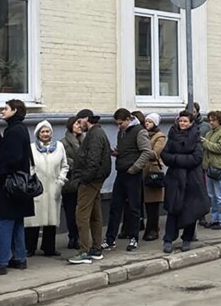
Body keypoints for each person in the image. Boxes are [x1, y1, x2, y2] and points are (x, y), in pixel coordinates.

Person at [0, 100, 34, 275]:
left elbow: (12, 158)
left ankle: (0, 262)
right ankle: (19, 258)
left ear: (14, 111)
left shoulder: (13, 131)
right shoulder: (21, 128)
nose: (2, 112)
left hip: (9, 186)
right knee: (17, 222)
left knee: (2, 222)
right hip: (19, 185)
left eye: (5, 109)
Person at [103, 108, 153, 253]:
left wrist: (135, 167)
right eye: (117, 124)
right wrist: (116, 152)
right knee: (115, 206)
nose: (119, 126)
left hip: (133, 174)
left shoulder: (140, 131)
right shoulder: (122, 132)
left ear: (127, 120)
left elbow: (147, 152)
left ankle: (134, 238)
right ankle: (110, 239)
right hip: (121, 173)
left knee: (133, 208)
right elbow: (125, 149)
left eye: (120, 123)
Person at [161, 111, 209, 253]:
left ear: (191, 123)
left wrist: (176, 159)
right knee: (173, 209)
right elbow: (165, 155)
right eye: (181, 121)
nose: (182, 124)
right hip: (174, 179)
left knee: (191, 210)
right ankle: (168, 239)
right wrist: (178, 159)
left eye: (185, 121)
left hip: (192, 179)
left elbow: (197, 157)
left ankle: (187, 239)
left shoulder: (196, 137)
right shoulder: (172, 135)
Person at [68, 109, 111, 264]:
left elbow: (93, 161)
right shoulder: (97, 133)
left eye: (80, 121)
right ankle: (96, 249)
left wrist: (83, 179)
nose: (79, 125)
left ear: (86, 119)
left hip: (90, 181)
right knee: (95, 215)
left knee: (82, 215)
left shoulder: (94, 135)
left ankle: (84, 251)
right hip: (94, 180)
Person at [25, 121, 69, 257]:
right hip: (37, 187)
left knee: (51, 220)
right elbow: (28, 165)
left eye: (47, 131)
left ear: (51, 133)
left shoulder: (59, 147)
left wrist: (60, 180)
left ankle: (49, 247)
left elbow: (65, 165)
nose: (45, 134)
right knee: (34, 219)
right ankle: (29, 247)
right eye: (42, 132)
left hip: (53, 187)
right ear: (38, 134)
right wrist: (32, 179)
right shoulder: (31, 148)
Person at [202, 110, 221, 229]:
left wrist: (206, 143)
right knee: (212, 195)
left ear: (219, 121)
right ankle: (215, 219)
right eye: (210, 120)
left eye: (214, 120)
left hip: (218, 167)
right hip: (209, 167)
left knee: (220, 195)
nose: (211, 122)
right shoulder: (209, 133)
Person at [142, 113, 166, 241]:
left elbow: (155, 153)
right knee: (146, 203)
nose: (147, 124)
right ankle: (148, 227)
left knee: (153, 204)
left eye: (150, 122)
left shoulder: (160, 136)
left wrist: (143, 151)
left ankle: (153, 229)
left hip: (153, 172)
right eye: (146, 121)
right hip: (143, 171)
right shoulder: (143, 134)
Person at [61, 116, 83, 250]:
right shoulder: (63, 142)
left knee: (81, 212)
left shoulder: (85, 140)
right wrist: (78, 164)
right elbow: (63, 159)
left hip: (82, 181)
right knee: (70, 212)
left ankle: (80, 237)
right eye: (77, 124)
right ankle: (72, 237)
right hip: (70, 182)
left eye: (81, 124)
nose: (79, 126)